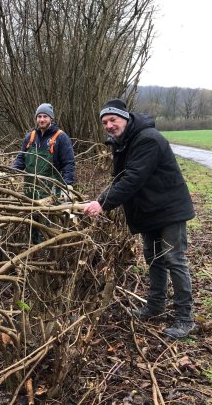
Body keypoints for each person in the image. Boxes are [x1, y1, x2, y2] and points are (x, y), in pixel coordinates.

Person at [83, 99, 195, 339]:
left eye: (113, 120)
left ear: (125, 117)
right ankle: (155, 306)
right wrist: (99, 198)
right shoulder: (122, 143)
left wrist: (102, 203)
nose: (109, 125)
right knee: (153, 258)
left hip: (169, 208)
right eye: (105, 122)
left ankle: (185, 318)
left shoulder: (147, 139)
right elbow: (119, 177)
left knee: (174, 259)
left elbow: (133, 178)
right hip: (149, 210)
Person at [12, 103, 76, 242]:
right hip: (30, 188)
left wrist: (68, 185)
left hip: (50, 188)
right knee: (31, 219)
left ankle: (46, 250)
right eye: (39, 116)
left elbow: (69, 163)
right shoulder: (30, 137)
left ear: (51, 118)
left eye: (45, 116)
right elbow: (21, 158)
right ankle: (32, 246)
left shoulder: (61, 137)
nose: (41, 119)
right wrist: (11, 173)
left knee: (46, 220)